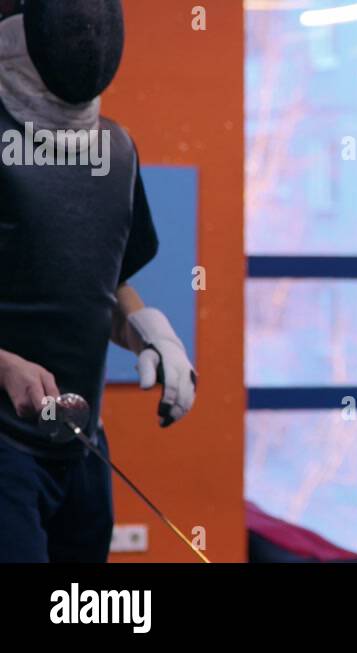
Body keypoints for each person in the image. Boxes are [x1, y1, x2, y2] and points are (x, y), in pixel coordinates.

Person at [0, 0, 196, 562]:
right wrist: (5, 364)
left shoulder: (118, 152)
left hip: (81, 449)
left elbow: (101, 286)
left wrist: (150, 330)